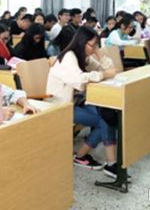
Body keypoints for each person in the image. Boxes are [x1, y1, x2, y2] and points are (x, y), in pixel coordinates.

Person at [47, 26, 118, 176]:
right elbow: (79, 80)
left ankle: (93, 159)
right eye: (93, 45)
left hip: (77, 102)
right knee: (105, 119)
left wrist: (99, 54)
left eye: (96, 45)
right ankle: (105, 162)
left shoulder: (83, 56)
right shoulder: (69, 57)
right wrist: (102, 74)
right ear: (82, 42)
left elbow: (110, 70)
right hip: (61, 106)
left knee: (108, 115)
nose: (94, 49)